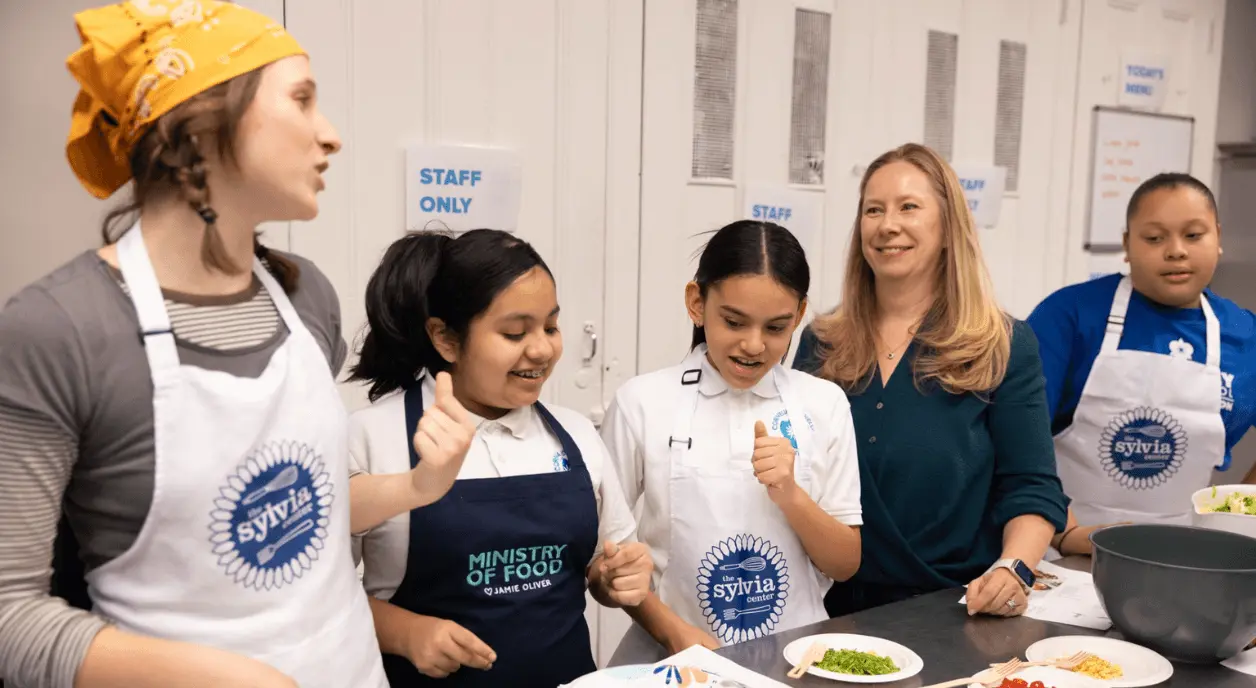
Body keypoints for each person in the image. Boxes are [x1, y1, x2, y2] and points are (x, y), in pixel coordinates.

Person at [0, 3, 463, 686]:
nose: (329, 135)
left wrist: (419, 486)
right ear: (202, 122)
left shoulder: (308, 299)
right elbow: (11, 618)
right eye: (302, 100)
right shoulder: (60, 329)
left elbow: (293, 509)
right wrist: (228, 677)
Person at [346, 229, 652, 687]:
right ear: (445, 339)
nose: (543, 349)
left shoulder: (573, 434)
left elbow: (599, 567)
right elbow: (312, 594)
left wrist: (613, 580)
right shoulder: (374, 435)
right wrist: (403, 632)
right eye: (514, 332)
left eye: (551, 326)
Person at [794, 143, 1069, 618]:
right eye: (873, 210)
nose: (887, 225)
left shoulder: (1000, 344)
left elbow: (1032, 487)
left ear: (947, 228)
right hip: (824, 609)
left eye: (909, 207)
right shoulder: (822, 342)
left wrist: (1013, 568)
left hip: (953, 610)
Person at [601, 220, 863, 662]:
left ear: (799, 316)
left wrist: (791, 495)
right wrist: (672, 632)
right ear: (696, 303)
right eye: (733, 321)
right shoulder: (642, 403)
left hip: (794, 658)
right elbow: (602, 565)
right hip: (673, 660)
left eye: (777, 328)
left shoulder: (824, 403)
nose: (753, 345)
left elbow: (844, 564)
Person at [1027, 172, 1256, 554]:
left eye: (1194, 235)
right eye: (1154, 238)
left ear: (1217, 238)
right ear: (1127, 245)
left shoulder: (1244, 334)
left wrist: (1235, 520)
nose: (1176, 251)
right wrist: (1063, 534)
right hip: (1059, 549)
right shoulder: (1070, 315)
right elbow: (1015, 439)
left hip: (1185, 555)